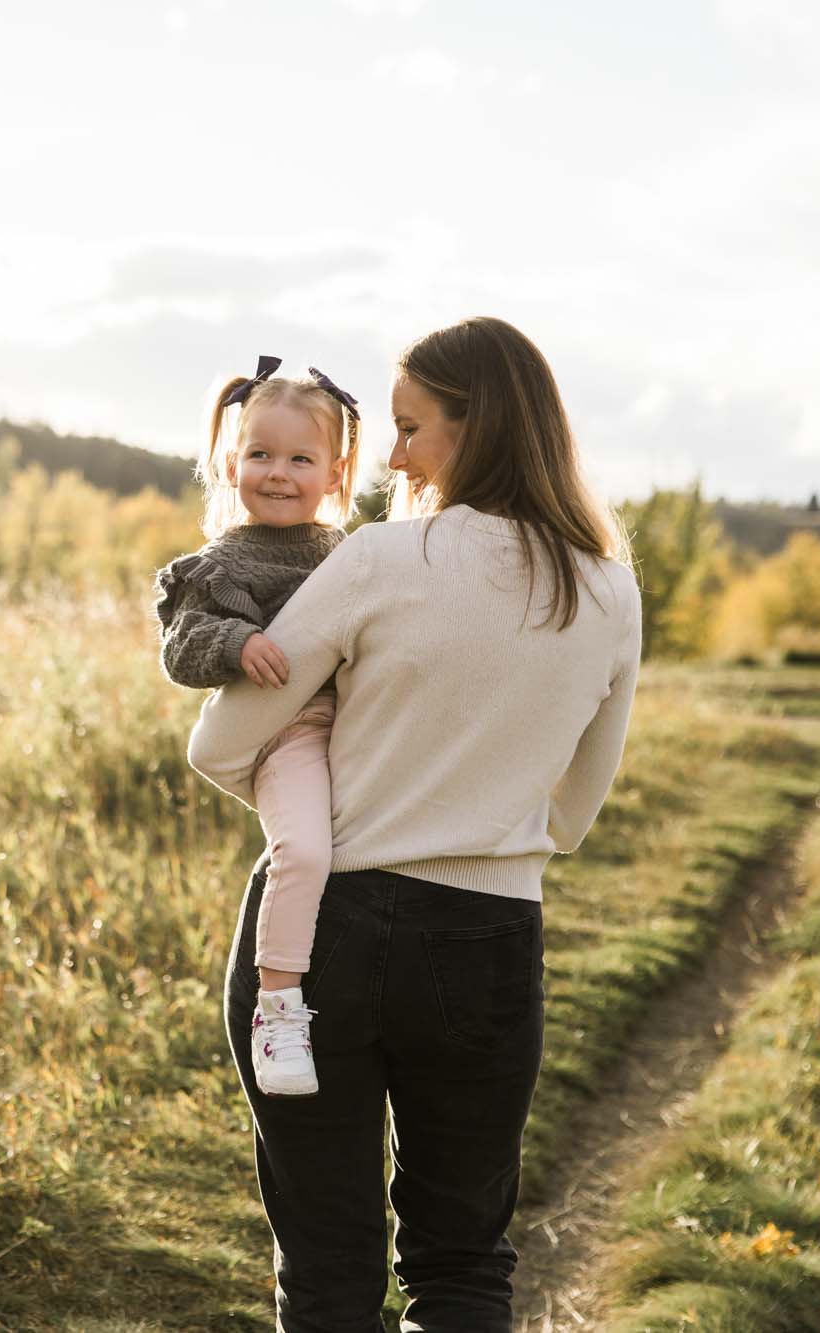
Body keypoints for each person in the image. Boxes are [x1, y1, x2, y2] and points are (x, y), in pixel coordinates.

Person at [187, 317, 641, 1330]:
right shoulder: (607, 588)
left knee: (327, 1266)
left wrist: (337, 782)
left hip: (323, 935)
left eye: (408, 427)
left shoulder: (378, 561)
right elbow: (571, 813)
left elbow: (217, 747)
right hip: (483, 943)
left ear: (474, 429)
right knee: (461, 1263)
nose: (390, 455)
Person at [153, 355, 361, 1096]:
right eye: (261, 454)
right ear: (231, 461)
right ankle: (277, 1011)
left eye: (301, 458)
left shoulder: (350, 555)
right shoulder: (219, 563)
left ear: (336, 473)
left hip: (366, 730)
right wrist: (237, 643)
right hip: (291, 735)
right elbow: (179, 649)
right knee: (301, 851)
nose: (278, 472)